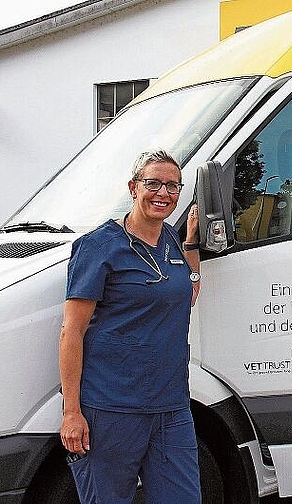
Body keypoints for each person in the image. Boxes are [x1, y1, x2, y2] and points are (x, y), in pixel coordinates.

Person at [59, 149, 202, 503]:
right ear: (133, 187)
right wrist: (72, 412)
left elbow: (186, 292)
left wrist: (192, 243)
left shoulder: (170, 238)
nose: (163, 193)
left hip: (171, 408)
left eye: (173, 186)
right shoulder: (99, 247)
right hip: (112, 409)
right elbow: (71, 332)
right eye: (153, 183)